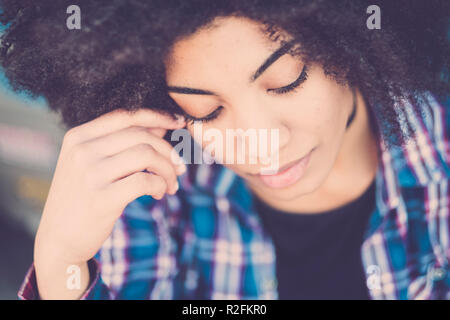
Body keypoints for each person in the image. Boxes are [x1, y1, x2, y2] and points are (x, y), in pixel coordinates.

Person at [0, 1, 448, 299]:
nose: (260, 143)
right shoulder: (154, 193)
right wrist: (61, 262)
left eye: (287, 81)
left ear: (355, 43)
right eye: (207, 110)